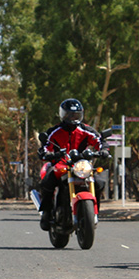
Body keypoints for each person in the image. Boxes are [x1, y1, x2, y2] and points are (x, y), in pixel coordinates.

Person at [36, 98, 109, 231]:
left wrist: (103, 150)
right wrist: (47, 154)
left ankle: (93, 211)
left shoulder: (86, 130)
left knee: (99, 182)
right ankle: (46, 213)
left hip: (81, 165)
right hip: (61, 164)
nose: (73, 118)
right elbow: (45, 146)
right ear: (63, 114)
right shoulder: (54, 131)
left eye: (76, 115)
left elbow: (99, 141)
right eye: (70, 114)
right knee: (48, 180)